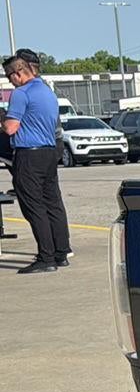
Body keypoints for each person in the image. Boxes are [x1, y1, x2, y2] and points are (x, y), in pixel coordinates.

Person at [3, 49, 71, 273]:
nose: (10, 82)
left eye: (9, 76)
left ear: (17, 73)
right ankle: (61, 253)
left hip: (28, 154)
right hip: (48, 152)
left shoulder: (21, 93)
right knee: (53, 203)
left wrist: (2, 121)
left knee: (34, 207)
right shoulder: (46, 91)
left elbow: (11, 128)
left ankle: (46, 257)